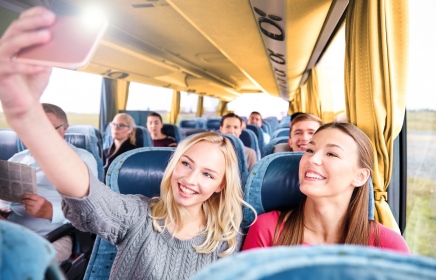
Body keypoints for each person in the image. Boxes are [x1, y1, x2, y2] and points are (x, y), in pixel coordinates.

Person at [0, 8, 254, 278]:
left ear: (221, 185)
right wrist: (28, 116)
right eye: (186, 163)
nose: (190, 179)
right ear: (173, 163)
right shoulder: (139, 214)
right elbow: (87, 194)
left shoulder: (227, 238)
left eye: (207, 174)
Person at [242, 122, 410, 254]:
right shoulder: (267, 229)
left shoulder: (389, 245)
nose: (312, 159)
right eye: (310, 150)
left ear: (360, 177)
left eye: (331, 154)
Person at [0, 103, 98, 264]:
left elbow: (91, 210)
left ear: (65, 128)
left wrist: (51, 211)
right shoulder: (18, 158)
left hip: (52, 237)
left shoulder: (81, 160)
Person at [103, 113, 139, 181]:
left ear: (130, 130)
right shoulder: (104, 152)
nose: (116, 128)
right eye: (113, 124)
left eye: (121, 125)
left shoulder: (134, 152)